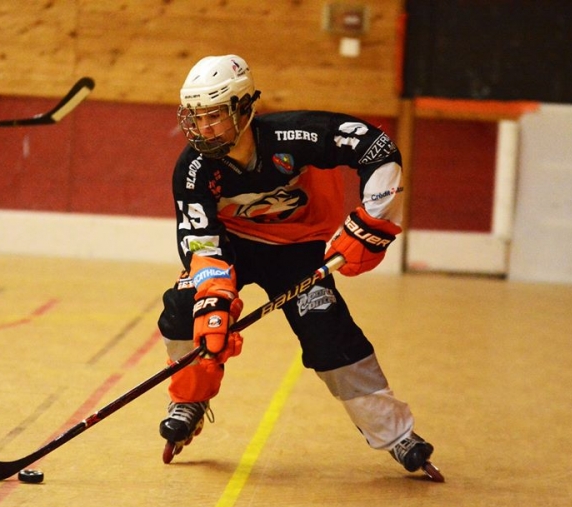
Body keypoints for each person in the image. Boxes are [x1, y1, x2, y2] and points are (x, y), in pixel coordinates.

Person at [156, 54, 438, 476]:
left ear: (243, 108)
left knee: (328, 332)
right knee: (186, 310)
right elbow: (200, 240)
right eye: (195, 118)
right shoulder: (193, 167)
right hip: (231, 247)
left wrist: (372, 221)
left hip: (297, 249)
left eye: (214, 116)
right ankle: (189, 398)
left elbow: (377, 149)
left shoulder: (295, 133)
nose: (202, 129)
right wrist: (213, 297)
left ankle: (394, 432)